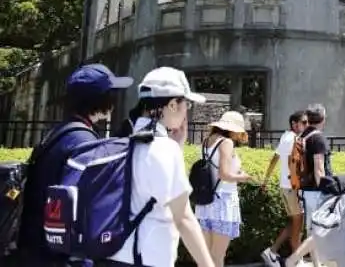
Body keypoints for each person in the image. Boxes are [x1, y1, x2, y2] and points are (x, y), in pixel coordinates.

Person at [15, 63, 133, 266]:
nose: (115, 100)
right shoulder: (83, 141)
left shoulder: (60, 133)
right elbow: (82, 209)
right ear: (100, 99)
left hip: (35, 247)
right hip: (59, 257)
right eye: (112, 94)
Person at [108, 66, 215, 267]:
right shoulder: (163, 149)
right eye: (187, 104)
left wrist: (177, 148)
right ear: (173, 105)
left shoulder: (121, 141)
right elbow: (183, 217)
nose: (187, 112)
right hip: (145, 258)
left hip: (113, 254)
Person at [195, 111, 253, 267]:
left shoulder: (206, 141)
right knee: (217, 256)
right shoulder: (226, 143)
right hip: (223, 202)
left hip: (205, 202)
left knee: (206, 256)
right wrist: (244, 177)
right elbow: (224, 174)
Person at [264, 110, 308, 256]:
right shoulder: (293, 139)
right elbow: (292, 163)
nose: (306, 125)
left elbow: (274, 159)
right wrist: (297, 184)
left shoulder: (285, 137)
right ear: (294, 124)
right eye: (303, 122)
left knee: (293, 222)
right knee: (298, 223)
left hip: (284, 187)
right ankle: (296, 257)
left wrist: (266, 180)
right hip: (291, 188)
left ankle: (272, 251)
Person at [299, 104, 332, 234]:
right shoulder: (318, 138)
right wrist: (324, 191)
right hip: (316, 191)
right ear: (323, 119)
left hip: (306, 189)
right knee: (319, 230)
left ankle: (313, 255)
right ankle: (298, 255)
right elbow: (319, 168)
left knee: (311, 229)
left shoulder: (304, 135)